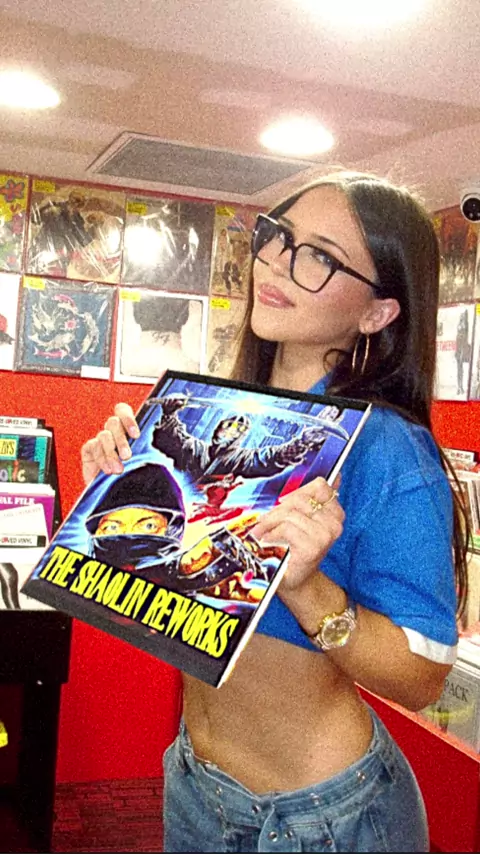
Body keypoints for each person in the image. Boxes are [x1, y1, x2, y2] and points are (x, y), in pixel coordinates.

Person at [80, 171, 469, 853]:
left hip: (325, 817)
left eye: (320, 256)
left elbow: (423, 678)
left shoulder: (387, 447)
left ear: (378, 312)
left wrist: (308, 587)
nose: (279, 264)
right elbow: (168, 603)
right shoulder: (213, 411)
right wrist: (118, 493)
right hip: (196, 784)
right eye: (279, 237)